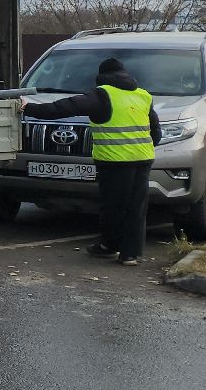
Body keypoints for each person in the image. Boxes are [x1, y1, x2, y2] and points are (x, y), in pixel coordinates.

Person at [23, 57, 161, 266]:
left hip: (115, 162)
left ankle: (109, 246)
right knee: (136, 207)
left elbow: (66, 107)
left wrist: (29, 108)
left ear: (102, 76)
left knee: (113, 206)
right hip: (143, 159)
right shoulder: (143, 96)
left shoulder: (103, 94)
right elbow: (156, 132)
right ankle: (130, 254)